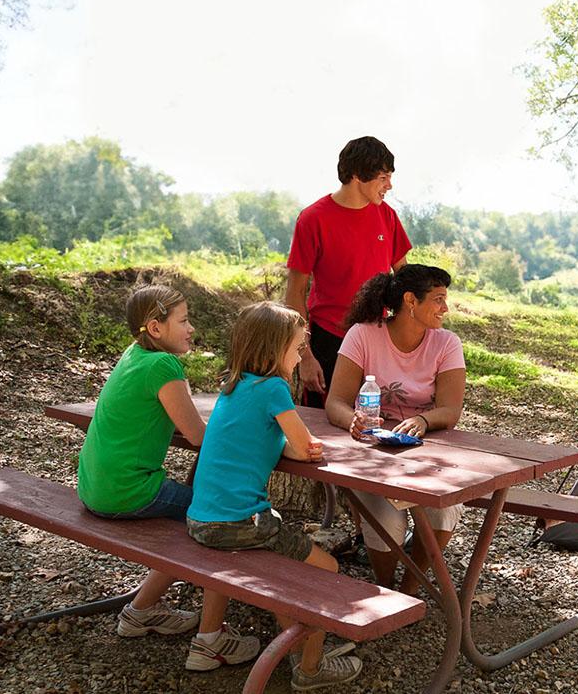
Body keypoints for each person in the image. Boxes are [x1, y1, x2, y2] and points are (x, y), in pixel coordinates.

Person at [77, 285, 259, 670]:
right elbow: (196, 435)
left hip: (96, 487)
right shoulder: (164, 366)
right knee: (219, 517)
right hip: (127, 491)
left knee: (199, 514)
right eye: (184, 320)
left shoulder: (134, 356)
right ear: (156, 328)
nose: (192, 328)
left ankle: (140, 611)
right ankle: (211, 641)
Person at [186, 301, 363, 690]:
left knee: (288, 567)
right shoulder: (273, 388)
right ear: (273, 350)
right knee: (322, 571)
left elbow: (269, 439)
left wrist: (287, 444)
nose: (300, 356)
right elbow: (304, 447)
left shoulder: (233, 385)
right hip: (241, 521)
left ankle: (299, 649)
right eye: (297, 348)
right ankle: (311, 668)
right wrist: (301, 444)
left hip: (201, 518)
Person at [325, 265, 466, 594]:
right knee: (388, 521)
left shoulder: (446, 343)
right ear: (410, 301)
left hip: (425, 452)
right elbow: (336, 402)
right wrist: (352, 420)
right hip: (372, 449)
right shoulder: (363, 334)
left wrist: (423, 420)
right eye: (438, 299)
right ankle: (385, 589)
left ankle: (410, 588)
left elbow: (450, 410)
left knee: (443, 515)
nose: (445, 308)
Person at [285, 136, 411, 408]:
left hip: (376, 337)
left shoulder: (387, 216)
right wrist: (305, 357)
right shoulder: (313, 218)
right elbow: (294, 294)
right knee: (322, 425)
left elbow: (406, 281)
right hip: (329, 339)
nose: (389, 185)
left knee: (373, 419)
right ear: (357, 176)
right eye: (383, 177)